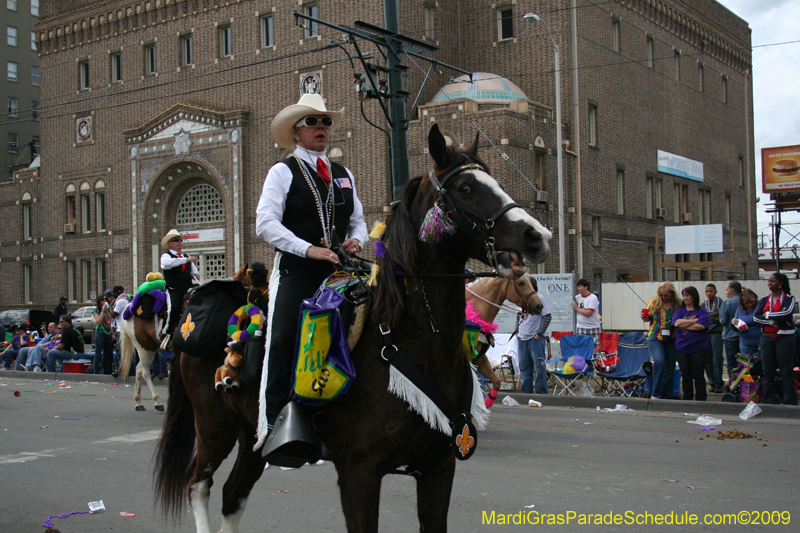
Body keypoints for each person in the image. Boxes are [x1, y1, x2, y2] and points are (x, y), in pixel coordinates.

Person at [255, 93, 368, 436]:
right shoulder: (282, 171)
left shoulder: (343, 174)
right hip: (297, 270)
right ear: (296, 132)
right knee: (284, 336)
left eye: (326, 121)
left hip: (338, 273)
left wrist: (356, 240)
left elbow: (359, 221)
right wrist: (307, 250)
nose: (321, 127)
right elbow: (265, 223)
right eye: (312, 122)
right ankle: (275, 420)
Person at [753, 273, 798, 405]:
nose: (769, 283)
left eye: (773, 281)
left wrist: (767, 314)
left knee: (786, 371)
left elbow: (786, 313)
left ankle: (790, 401)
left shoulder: (789, 298)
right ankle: (768, 400)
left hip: (784, 338)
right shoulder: (764, 299)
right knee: (767, 371)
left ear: (780, 283)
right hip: (767, 338)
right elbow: (756, 317)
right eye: (769, 281)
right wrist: (772, 321)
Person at [160, 229, 201, 346]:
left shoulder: (186, 256)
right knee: (173, 308)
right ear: (170, 244)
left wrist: (196, 273)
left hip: (187, 288)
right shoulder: (166, 256)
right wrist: (186, 260)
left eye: (180, 240)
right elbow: (167, 264)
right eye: (176, 240)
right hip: (174, 289)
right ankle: (166, 334)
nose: (179, 242)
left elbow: (193, 270)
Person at [671, 286, 711, 401]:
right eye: (684, 295)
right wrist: (693, 321)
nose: (685, 298)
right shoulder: (679, 311)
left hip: (699, 347)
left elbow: (701, 326)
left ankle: (700, 398)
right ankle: (687, 397)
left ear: (694, 297)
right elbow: (676, 323)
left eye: (687, 295)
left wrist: (684, 325)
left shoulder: (702, 311)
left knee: (698, 374)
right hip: (681, 347)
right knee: (686, 374)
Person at [643, 282, 681, 399]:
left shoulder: (678, 304)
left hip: (671, 338)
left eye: (666, 295)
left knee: (670, 366)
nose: (663, 297)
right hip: (655, 337)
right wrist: (644, 316)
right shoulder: (654, 302)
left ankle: (666, 395)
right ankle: (655, 393)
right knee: (660, 362)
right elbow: (647, 318)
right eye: (661, 295)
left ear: (672, 294)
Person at [516, 277, 552, 395]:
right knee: (524, 368)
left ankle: (541, 393)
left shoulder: (540, 298)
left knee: (539, 367)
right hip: (522, 338)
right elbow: (518, 316)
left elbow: (547, 316)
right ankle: (526, 393)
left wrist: (539, 334)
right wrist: (517, 332)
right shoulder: (521, 300)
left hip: (535, 339)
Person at [702, 284, 725, 393]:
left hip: (717, 334)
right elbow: (702, 317)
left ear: (715, 291)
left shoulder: (721, 303)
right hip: (706, 334)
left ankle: (718, 383)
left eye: (711, 291)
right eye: (707, 291)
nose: (709, 293)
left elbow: (721, 317)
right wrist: (712, 317)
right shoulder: (703, 304)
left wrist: (709, 317)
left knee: (717, 359)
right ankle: (711, 382)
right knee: (707, 360)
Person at [719, 281, 742, 381]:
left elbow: (723, 320)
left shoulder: (727, 302)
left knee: (732, 363)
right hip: (744, 337)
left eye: (727, 290)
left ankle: (733, 384)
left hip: (730, 336)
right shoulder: (745, 300)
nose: (726, 293)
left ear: (733, 291)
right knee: (743, 363)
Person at [732, 289, 761, 356]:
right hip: (745, 344)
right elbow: (734, 327)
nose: (750, 304)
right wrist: (734, 323)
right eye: (746, 303)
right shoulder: (739, 309)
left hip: (760, 342)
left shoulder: (759, 307)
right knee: (746, 362)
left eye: (751, 302)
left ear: (755, 298)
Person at [92, 291, 115, 374]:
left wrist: (113, 334)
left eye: (105, 300)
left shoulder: (109, 310)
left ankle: (107, 372)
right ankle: (96, 371)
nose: (104, 301)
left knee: (107, 354)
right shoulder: (96, 310)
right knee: (98, 353)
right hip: (100, 333)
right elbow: (98, 322)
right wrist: (102, 311)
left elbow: (110, 322)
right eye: (102, 300)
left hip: (108, 333)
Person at [572, 279, 601, 345]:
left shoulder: (593, 298)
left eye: (580, 286)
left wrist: (577, 308)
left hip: (593, 327)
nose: (578, 288)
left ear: (586, 287)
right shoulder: (577, 297)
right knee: (581, 348)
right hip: (581, 327)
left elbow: (589, 313)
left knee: (595, 347)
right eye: (578, 287)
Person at [109, 285, 129, 377]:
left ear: (116, 293)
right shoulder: (126, 300)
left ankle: (119, 369)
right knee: (125, 351)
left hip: (121, 329)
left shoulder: (120, 301)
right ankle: (126, 369)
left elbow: (114, 314)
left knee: (119, 351)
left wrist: (109, 308)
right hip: (124, 328)